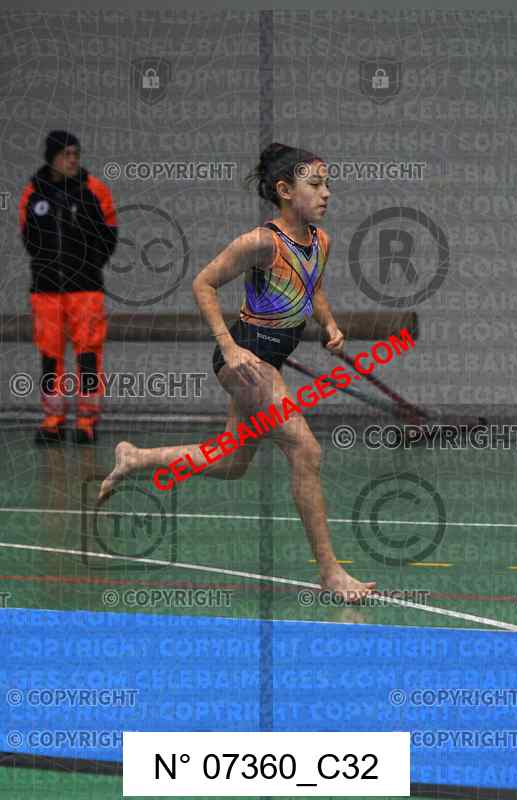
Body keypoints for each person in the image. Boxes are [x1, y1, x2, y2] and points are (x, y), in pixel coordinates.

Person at [97, 143, 376, 602]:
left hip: (268, 361)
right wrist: (229, 348)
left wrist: (329, 324)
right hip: (246, 358)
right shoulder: (261, 242)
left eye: (327, 184)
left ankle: (136, 458)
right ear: (285, 191)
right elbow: (203, 283)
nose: (326, 193)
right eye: (315, 184)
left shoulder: (320, 241)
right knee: (306, 450)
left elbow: (313, 288)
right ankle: (330, 572)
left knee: (230, 462)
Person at [19, 130, 118, 444]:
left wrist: (88, 265)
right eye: (66, 154)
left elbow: (109, 234)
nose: (73, 160)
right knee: (50, 354)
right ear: (52, 158)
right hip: (45, 289)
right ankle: (53, 419)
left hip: (85, 288)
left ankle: (86, 421)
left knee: (88, 353)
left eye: (76, 154)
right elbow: (28, 237)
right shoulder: (33, 193)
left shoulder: (94, 190)